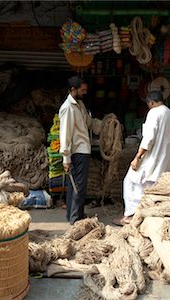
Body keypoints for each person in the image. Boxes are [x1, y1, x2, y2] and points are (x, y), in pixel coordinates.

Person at [114, 90, 170, 226]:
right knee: (153, 190)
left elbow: (149, 138)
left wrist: (137, 157)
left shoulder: (154, 113)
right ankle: (147, 217)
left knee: (130, 182)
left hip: (152, 160)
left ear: (151, 102)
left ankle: (131, 216)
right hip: (164, 161)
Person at [59, 76, 102, 225]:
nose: (85, 92)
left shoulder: (80, 105)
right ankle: (76, 219)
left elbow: (89, 123)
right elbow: (65, 134)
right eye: (82, 90)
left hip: (82, 150)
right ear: (73, 90)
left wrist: (105, 124)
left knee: (75, 185)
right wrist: (66, 158)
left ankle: (73, 214)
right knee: (78, 186)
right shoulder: (68, 108)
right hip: (77, 151)